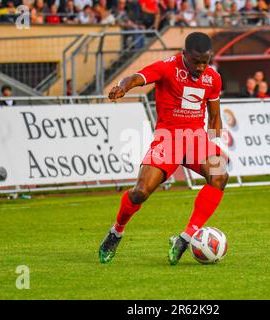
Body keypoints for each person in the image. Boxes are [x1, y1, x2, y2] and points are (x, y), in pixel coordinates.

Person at [99, 32, 228, 266]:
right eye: (196, 61)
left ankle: (185, 237)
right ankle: (116, 232)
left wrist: (214, 143)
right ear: (184, 54)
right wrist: (123, 86)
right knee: (140, 192)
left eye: (206, 61)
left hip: (196, 138)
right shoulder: (167, 68)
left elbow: (215, 115)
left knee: (219, 175)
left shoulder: (213, 78)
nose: (201, 67)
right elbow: (137, 77)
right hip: (168, 138)